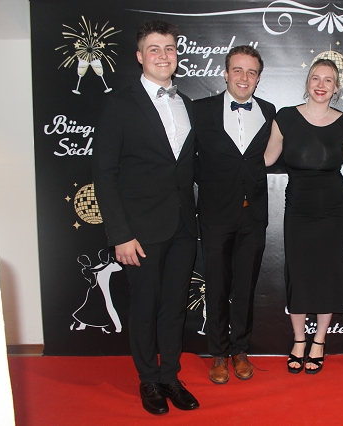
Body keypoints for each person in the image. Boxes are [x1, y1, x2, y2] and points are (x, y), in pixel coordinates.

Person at [93, 20, 199, 415]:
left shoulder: (186, 104)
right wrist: (120, 234)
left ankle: (170, 375)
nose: (163, 55)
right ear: (140, 56)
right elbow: (104, 173)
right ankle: (148, 379)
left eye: (169, 48)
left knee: (174, 306)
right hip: (140, 230)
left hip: (183, 226)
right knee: (144, 307)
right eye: (154, 49)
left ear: (177, 54)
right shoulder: (119, 104)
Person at [264, 59, 343, 374]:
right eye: (315, 78)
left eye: (328, 80)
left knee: (329, 273)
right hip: (299, 209)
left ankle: (319, 341)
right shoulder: (285, 117)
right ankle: (298, 340)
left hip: (334, 209)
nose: (321, 85)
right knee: (299, 273)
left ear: (336, 87)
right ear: (307, 82)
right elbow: (267, 158)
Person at [192, 46, 276, 384]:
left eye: (251, 72)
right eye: (237, 70)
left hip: (252, 215)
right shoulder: (201, 110)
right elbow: (188, 160)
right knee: (216, 285)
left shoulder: (268, 111)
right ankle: (218, 353)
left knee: (245, 287)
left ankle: (240, 350)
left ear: (258, 78)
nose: (244, 77)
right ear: (225, 73)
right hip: (215, 215)